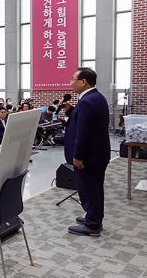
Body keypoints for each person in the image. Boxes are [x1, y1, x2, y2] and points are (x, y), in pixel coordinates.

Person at [63, 68, 110, 237]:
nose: (71, 83)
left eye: (73, 79)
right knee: (95, 188)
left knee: (88, 189)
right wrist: (70, 111)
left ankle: (92, 225)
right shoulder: (97, 98)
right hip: (98, 153)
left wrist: (78, 155)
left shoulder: (87, 102)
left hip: (88, 156)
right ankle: (94, 217)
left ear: (83, 82)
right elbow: (84, 122)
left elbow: (83, 132)